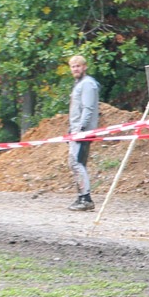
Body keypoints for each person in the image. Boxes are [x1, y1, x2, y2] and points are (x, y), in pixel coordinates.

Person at [66, 55, 100, 211]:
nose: (75, 69)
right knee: (77, 163)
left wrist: (80, 129)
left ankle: (85, 199)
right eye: (73, 66)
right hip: (77, 130)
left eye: (78, 66)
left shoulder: (87, 84)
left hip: (83, 132)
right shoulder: (80, 84)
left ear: (84, 67)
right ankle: (82, 197)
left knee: (76, 163)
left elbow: (88, 108)